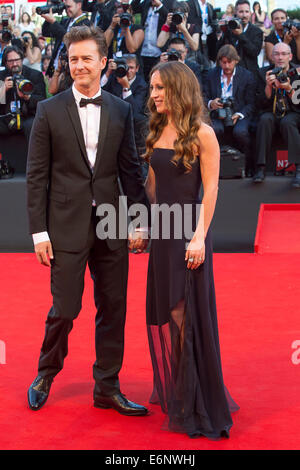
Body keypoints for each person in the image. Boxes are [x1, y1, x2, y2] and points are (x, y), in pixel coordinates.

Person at [26, 25, 149, 415]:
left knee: (114, 307)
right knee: (65, 307)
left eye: (86, 59)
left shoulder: (121, 108)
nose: (78, 66)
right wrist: (39, 232)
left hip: (112, 221)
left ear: (103, 63)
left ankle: (107, 386)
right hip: (65, 223)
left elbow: (130, 169)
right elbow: (36, 177)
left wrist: (140, 221)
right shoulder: (48, 110)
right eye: (73, 59)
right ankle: (46, 372)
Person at [144, 60, 239, 438]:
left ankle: (196, 394)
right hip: (164, 232)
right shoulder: (155, 129)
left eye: (160, 88)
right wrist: (143, 223)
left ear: (179, 88)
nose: (154, 95)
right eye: (152, 88)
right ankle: (183, 388)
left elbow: (212, 188)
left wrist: (199, 235)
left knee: (184, 310)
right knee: (168, 308)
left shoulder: (203, 133)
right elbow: (152, 190)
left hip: (189, 231)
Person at [202, 44, 256, 175]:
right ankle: (212, 168)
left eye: (229, 62)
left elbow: (251, 103)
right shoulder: (211, 75)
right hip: (217, 113)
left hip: (239, 113)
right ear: (219, 61)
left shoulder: (247, 76)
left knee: (241, 132)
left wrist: (239, 114)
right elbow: (202, 96)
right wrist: (211, 103)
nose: (226, 66)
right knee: (215, 130)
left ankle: (248, 166)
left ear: (236, 61)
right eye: (223, 62)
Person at [253, 42, 300, 188]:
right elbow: (260, 103)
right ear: (272, 56)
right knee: (264, 120)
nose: (280, 57)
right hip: (271, 111)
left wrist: (289, 89)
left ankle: (299, 168)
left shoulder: (297, 72)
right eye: (277, 54)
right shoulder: (263, 73)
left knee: (288, 122)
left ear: (290, 56)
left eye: (284, 54)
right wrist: (268, 86)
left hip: (293, 112)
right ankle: (260, 168)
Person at [0, 46, 46, 143]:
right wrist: (3, 90)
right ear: (5, 63)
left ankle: (34, 157)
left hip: (28, 116)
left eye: (17, 60)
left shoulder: (35, 75)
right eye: (10, 61)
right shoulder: (1, 76)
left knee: (32, 125)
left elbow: (42, 101)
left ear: (22, 59)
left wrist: (27, 97)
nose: (15, 64)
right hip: (6, 116)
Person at [41, 0, 91, 77]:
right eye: (65, 7)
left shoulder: (86, 23)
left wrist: (54, 22)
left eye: (69, 7)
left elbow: (71, 39)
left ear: (79, 5)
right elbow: (46, 32)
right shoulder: (65, 21)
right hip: (55, 68)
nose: (66, 10)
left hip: (68, 71)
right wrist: (48, 17)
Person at [216, 0, 263, 77]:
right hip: (230, 72)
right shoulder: (229, 29)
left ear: (250, 13)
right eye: (241, 12)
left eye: (247, 11)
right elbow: (218, 51)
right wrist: (223, 32)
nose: (244, 15)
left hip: (249, 73)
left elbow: (254, 52)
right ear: (235, 13)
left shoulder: (257, 31)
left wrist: (241, 35)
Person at [131, 0, 171, 82]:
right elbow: (134, 8)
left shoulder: (169, 3)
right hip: (144, 51)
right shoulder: (146, 3)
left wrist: (160, 6)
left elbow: (172, 20)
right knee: (143, 80)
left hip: (159, 52)